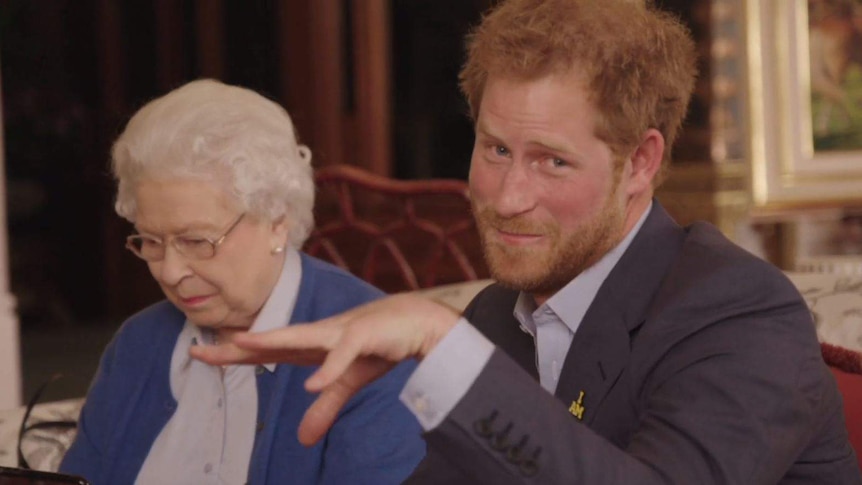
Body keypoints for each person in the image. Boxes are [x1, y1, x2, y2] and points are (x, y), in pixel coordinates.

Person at [192, 1, 862, 483]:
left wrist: (439, 340)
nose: (506, 195)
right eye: (496, 148)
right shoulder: (498, 314)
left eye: (552, 160)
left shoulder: (740, 310)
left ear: (641, 163)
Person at [58, 79, 425, 484]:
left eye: (197, 241)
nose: (170, 271)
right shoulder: (138, 344)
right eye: (151, 241)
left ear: (277, 221)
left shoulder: (370, 350)